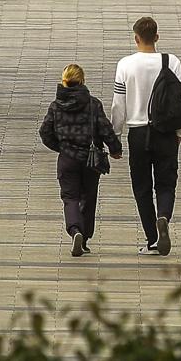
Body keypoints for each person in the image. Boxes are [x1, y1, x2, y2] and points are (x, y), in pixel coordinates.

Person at [109, 17, 181, 255]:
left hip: (138, 133)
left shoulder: (126, 65)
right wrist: (179, 132)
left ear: (136, 38)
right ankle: (163, 215)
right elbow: (180, 100)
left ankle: (152, 239)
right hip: (166, 133)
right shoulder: (171, 62)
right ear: (157, 37)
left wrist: (115, 138)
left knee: (141, 187)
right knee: (166, 183)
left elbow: (118, 105)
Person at [40, 65, 122, 256]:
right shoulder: (93, 104)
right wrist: (115, 149)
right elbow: (105, 129)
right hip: (90, 160)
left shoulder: (55, 106)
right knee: (89, 197)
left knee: (70, 198)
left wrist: (60, 147)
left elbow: (45, 132)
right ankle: (84, 239)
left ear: (64, 81)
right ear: (82, 81)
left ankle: (74, 229)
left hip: (67, 159)